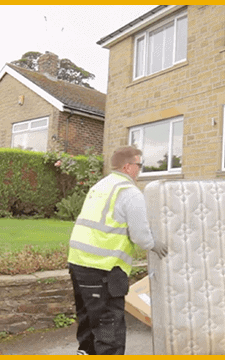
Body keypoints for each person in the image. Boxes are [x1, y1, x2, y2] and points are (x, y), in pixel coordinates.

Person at [67, 146, 168, 355]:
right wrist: (154, 245)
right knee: (108, 326)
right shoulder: (130, 193)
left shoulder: (101, 186)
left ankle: (85, 353)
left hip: (78, 262)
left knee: (87, 319)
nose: (140, 170)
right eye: (139, 165)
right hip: (103, 268)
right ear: (128, 166)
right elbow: (140, 236)